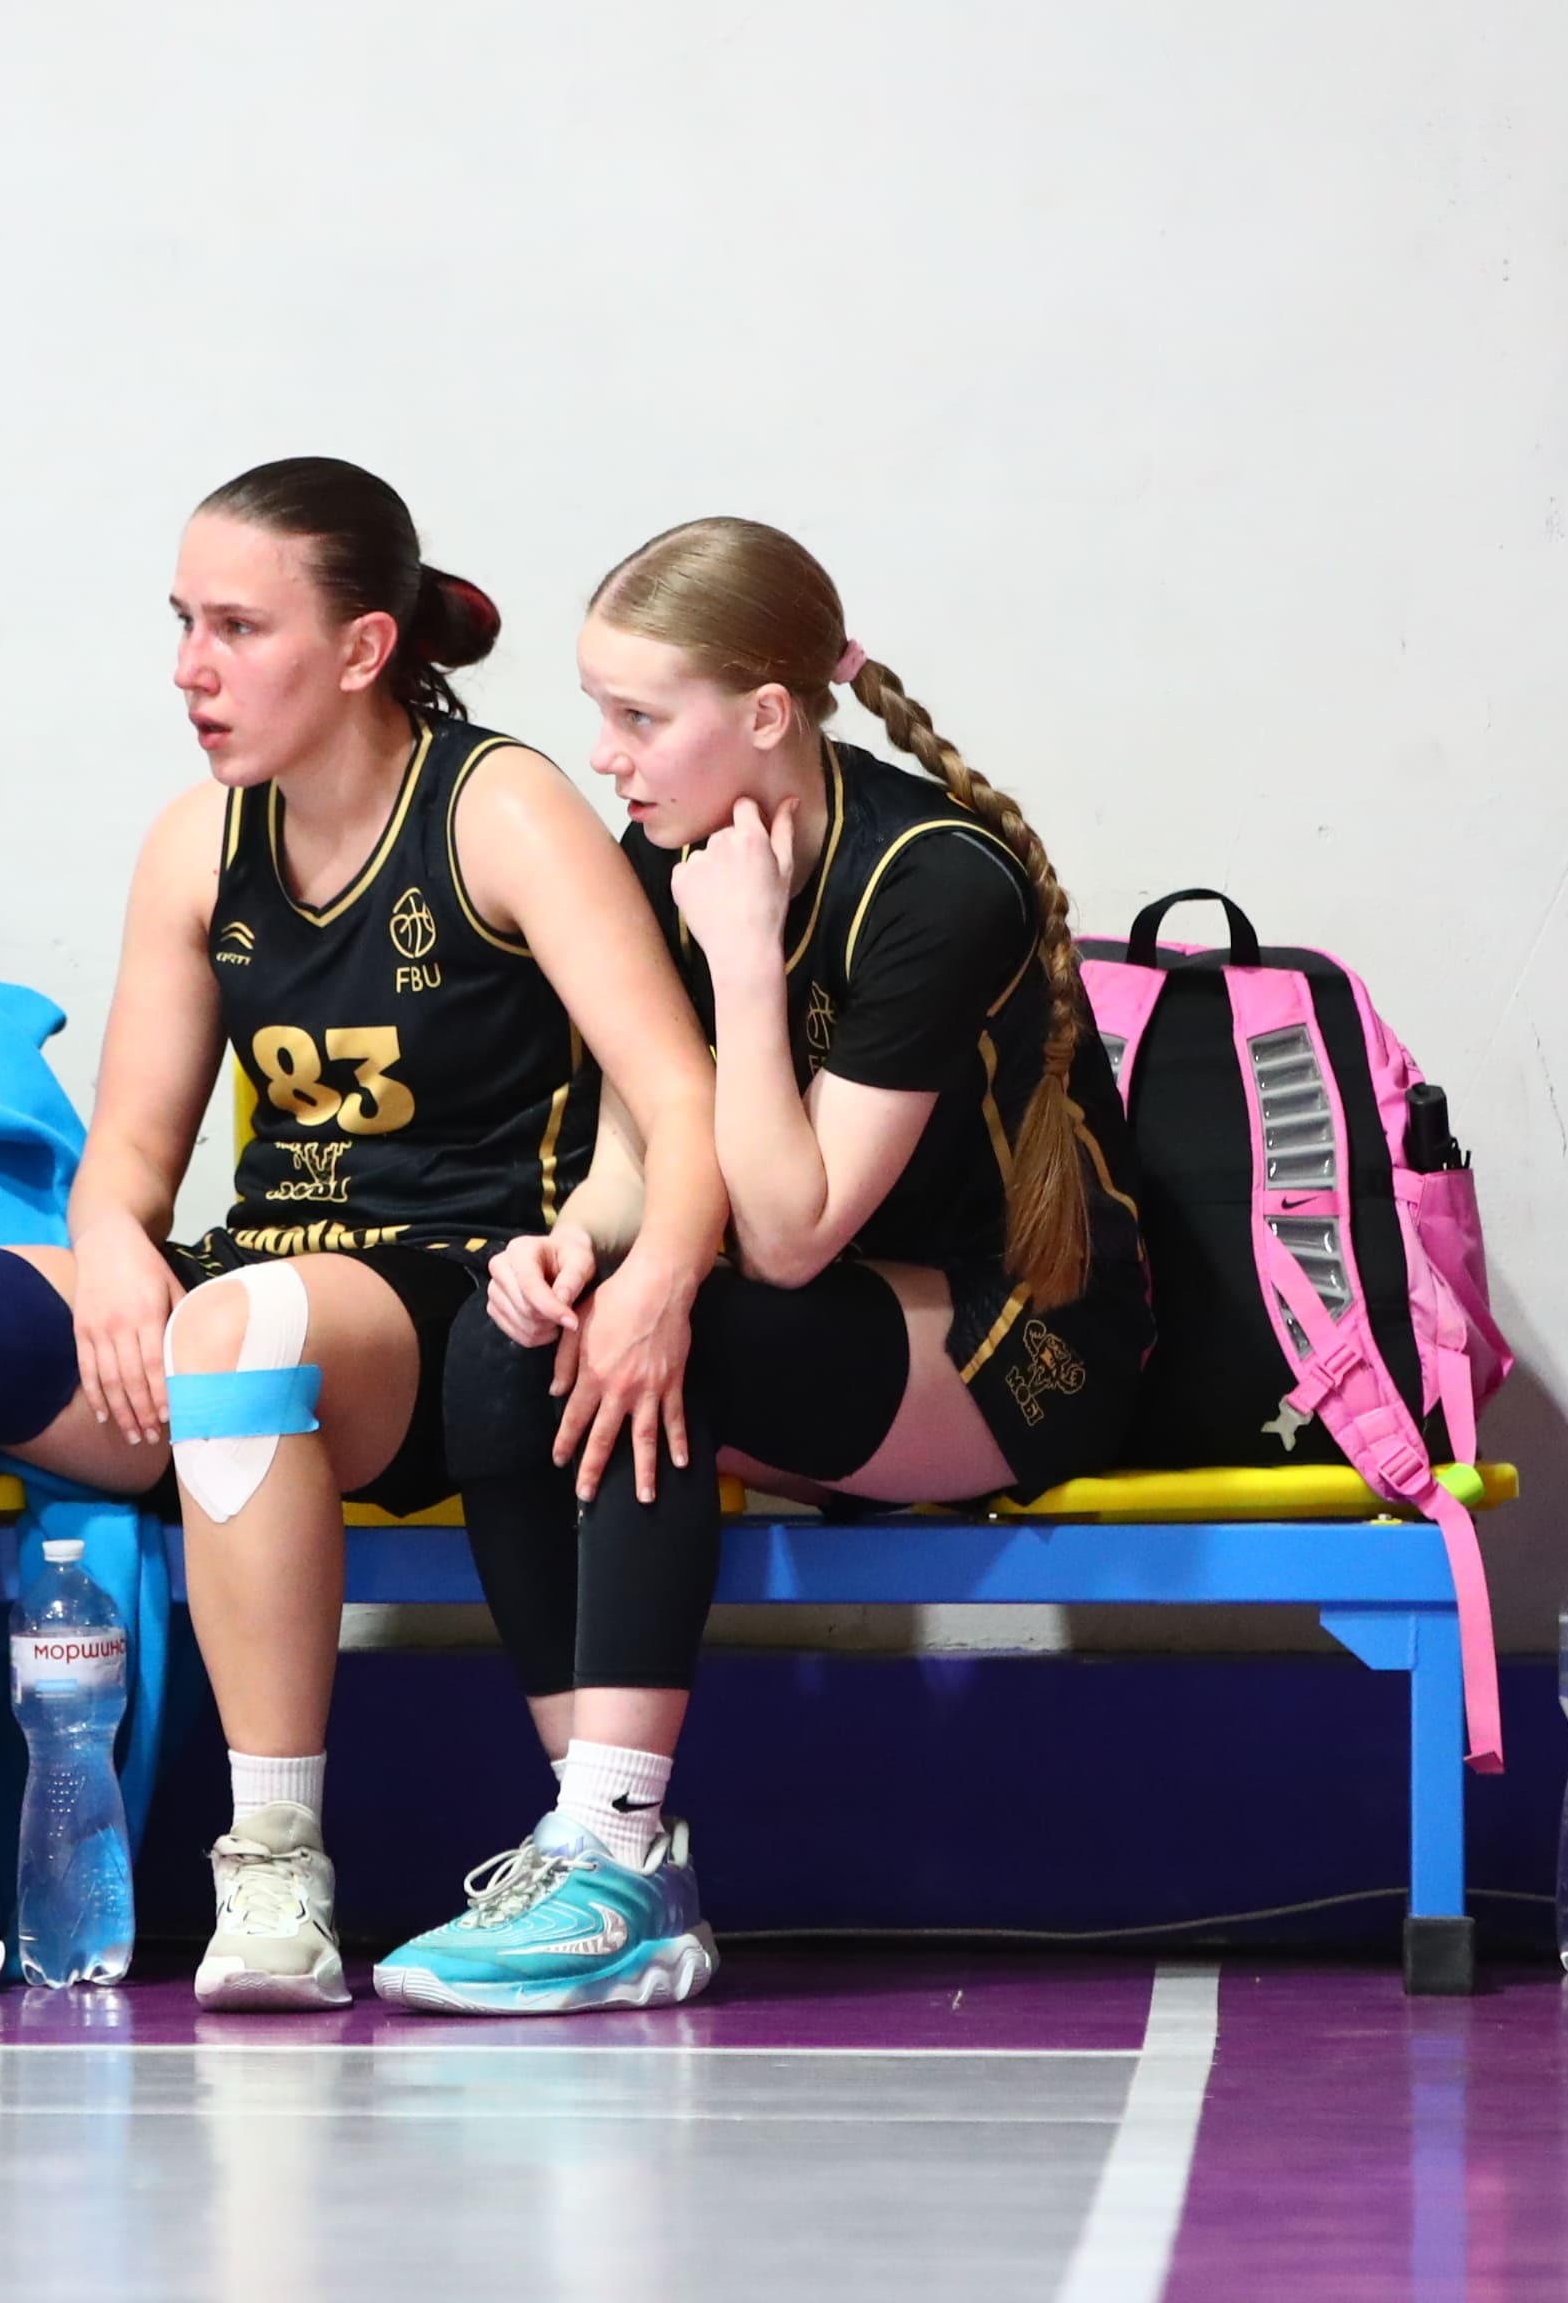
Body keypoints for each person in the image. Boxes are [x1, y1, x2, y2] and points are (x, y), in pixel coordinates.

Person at [0, 458, 722, 2012]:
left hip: (455, 1306)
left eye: (237, 626)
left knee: (241, 1326)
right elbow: (129, 1165)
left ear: (361, 649)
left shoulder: (500, 808)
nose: (190, 669)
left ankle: (276, 1868)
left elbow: (680, 1098)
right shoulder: (197, 841)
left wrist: (659, 1284)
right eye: (182, 623)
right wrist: (109, 1251)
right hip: (255, 1295)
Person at [377, 516, 1152, 2016]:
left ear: (768, 714)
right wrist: (576, 1244)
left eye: (638, 717)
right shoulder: (664, 846)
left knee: (689, 1347)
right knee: (509, 1339)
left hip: (1023, 1342)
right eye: (601, 712)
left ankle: (608, 1851)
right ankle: (601, 1844)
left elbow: (794, 1232)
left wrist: (744, 951)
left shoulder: (937, 879)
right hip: (835, 1322)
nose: (606, 755)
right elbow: (636, 1146)